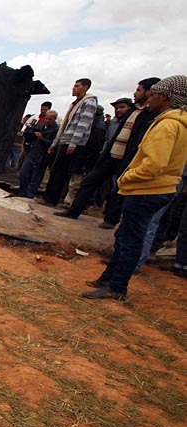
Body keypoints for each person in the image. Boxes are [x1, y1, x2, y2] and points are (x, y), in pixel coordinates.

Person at [84, 75, 187, 300]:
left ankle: (117, 287)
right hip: (156, 189)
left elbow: (154, 164)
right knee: (125, 236)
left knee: (130, 239)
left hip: (147, 189)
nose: (150, 98)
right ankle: (108, 278)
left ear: (165, 96)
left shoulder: (167, 125)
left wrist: (126, 178)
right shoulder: (177, 122)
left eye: (154, 94)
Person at [54, 98, 134, 219]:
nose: (118, 110)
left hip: (121, 158)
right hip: (106, 156)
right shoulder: (112, 123)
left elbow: (95, 144)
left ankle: (109, 217)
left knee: (115, 187)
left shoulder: (106, 126)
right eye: (116, 108)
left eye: (122, 107)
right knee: (89, 182)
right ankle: (75, 210)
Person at [101, 77, 162, 228]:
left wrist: (131, 173)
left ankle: (112, 219)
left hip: (132, 163)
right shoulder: (135, 111)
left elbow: (155, 161)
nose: (135, 93)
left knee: (121, 191)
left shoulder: (163, 122)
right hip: (114, 154)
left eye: (139, 90)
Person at [41, 78, 98, 206]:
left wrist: (73, 143)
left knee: (63, 172)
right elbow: (65, 126)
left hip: (74, 143)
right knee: (56, 171)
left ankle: (54, 199)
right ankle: (50, 198)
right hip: (65, 140)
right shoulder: (76, 103)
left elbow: (83, 124)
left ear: (85, 87)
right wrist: (55, 143)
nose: (74, 88)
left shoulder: (89, 102)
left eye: (77, 86)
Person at [17, 110, 59, 198]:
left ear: (54, 119)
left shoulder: (56, 130)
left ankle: (30, 194)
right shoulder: (41, 126)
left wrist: (41, 138)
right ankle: (23, 191)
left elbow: (53, 144)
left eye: (50, 119)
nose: (47, 121)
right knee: (23, 174)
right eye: (46, 118)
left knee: (35, 178)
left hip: (42, 156)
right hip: (33, 153)